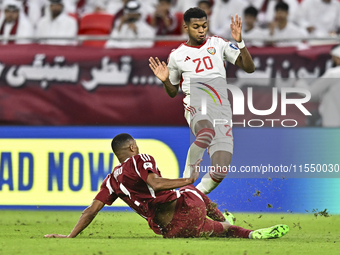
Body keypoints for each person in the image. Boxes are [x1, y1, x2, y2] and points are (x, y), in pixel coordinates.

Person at [44, 133, 289, 239]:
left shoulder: (111, 180)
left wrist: (69, 236)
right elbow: (155, 182)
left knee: (220, 230)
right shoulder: (140, 159)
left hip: (170, 230)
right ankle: (235, 224)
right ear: (132, 147)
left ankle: (237, 228)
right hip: (184, 210)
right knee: (191, 190)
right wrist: (187, 179)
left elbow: (91, 211)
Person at [149, 8, 255, 195]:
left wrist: (240, 42)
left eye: (204, 26)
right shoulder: (178, 55)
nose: (201, 30)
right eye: (196, 26)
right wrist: (166, 80)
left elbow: (249, 68)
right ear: (186, 27)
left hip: (222, 109)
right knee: (206, 132)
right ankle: (187, 179)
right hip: (197, 103)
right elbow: (173, 92)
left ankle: (188, 198)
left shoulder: (219, 44)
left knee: (221, 170)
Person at [296, 45, 340, 127]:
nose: (332, 60)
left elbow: (310, 93)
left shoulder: (333, 74)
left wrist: (299, 83)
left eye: (333, 58)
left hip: (333, 124)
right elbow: (323, 95)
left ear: (338, 58)